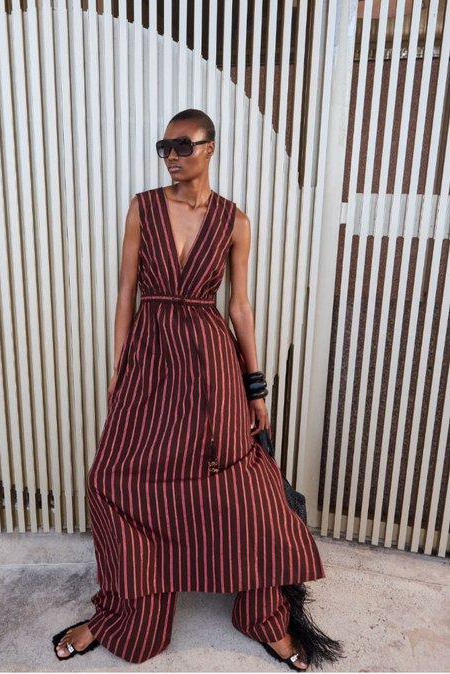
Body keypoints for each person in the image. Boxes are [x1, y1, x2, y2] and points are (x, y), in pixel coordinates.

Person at [53, 109, 344, 669]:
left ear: (210, 148)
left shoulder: (235, 221)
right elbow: (126, 291)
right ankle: (131, 611)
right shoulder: (143, 207)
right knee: (112, 479)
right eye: (164, 146)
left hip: (212, 366)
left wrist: (255, 388)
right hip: (150, 357)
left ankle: (263, 615)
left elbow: (240, 307)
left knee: (240, 486)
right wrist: (119, 367)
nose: (171, 156)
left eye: (183, 145)